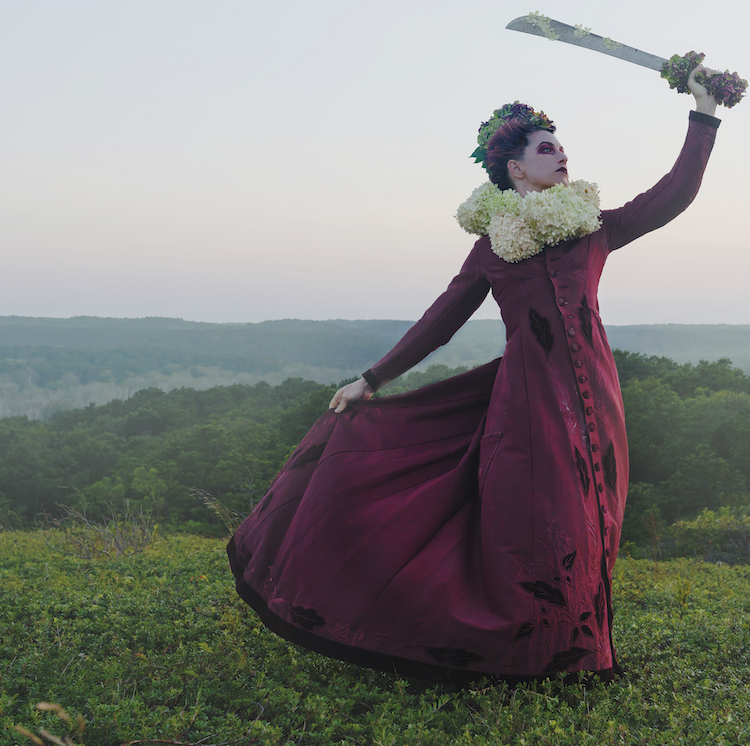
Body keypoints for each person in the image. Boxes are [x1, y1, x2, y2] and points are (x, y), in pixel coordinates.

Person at [227, 68, 725, 680]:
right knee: (535, 514)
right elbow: (443, 317)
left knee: (595, 510)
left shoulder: (594, 229)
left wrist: (703, 113)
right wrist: (373, 378)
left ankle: (576, 651)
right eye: (548, 148)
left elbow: (673, 193)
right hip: (527, 395)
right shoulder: (493, 245)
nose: (562, 155)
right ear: (516, 168)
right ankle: (515, 651)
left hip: (596, 390)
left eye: (563, 148)